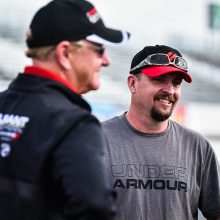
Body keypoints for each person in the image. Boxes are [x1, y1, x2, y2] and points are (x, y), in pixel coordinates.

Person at [0, 0, 130, 219]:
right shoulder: (74, 123)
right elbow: (95, 210)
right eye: (99, 49)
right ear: (65, 54)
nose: (106, 60)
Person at [102, 45, 220, 220]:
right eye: (159, 79)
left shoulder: (197, 146)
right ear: (132, 83)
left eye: (176, 83)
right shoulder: (97, 139)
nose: (170, 90)